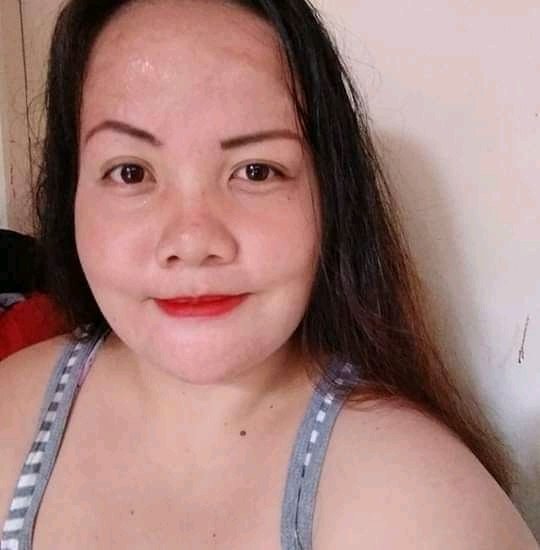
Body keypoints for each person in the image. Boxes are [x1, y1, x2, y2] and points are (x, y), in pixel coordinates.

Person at [0, 0, 537, 548]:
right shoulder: (11, 410)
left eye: (256, 171)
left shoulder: (424, 508)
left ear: (330, 194)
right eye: (130, 172)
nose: (192, 242)